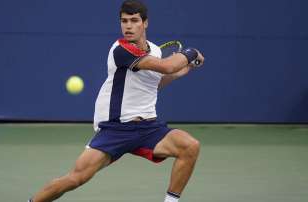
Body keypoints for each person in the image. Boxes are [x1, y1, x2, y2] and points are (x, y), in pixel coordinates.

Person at [29, 0, 204, 201]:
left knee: (190, 146)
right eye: (124, 21)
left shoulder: (155, 51)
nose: (128, 26)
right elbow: (167, 66)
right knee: (76, 178)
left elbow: (155, 83)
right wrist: (191, 54)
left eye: (134, 21)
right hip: (115, 129)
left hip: (148, 127)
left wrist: (183, 70)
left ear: (145, 23)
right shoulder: (121, 50)